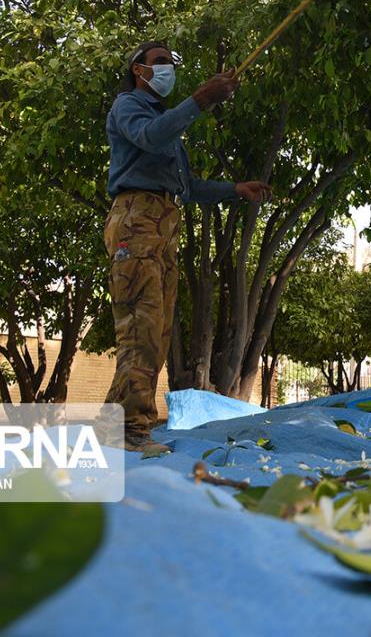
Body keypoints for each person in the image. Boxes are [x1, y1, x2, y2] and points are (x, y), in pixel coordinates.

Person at [105, 41, 273, 453]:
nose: (168, 69)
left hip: (161, 224)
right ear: (137, 69)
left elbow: (187, 187)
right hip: (137, 220)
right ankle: (129, 431)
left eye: (170, 63)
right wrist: (200, 100)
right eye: (159, 62)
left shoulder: (166, 123)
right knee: (141, 330)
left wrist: (236, 189)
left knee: (156, 333)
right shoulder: (129, 107)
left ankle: (114, 425)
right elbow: (149, 136)